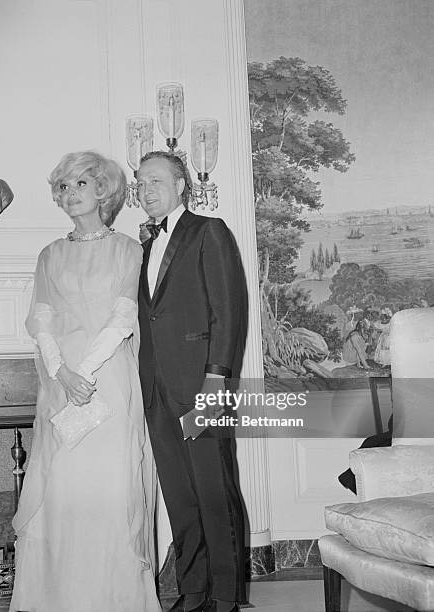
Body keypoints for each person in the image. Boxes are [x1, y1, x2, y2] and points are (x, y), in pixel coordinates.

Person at [10, 151, 161, 612]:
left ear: (103, 191)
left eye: (79, 185)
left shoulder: (128, 249)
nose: (69, 195)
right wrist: (63, 373)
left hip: (109, 378)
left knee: (112, 487)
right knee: (63, 492)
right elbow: (41, 319)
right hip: (61, 380)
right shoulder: (50, 255)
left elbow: (123, 316)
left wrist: (87, 372)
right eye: (62, 187)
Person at [137, 151, 248, 612]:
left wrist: (216, 378)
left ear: (182, 184)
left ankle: (225, 597)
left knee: (213, 490)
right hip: (157, 390)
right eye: (140, 183)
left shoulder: (209, 232)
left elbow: (229, 310)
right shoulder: (142, 246)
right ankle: (194, 590)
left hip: (203, 385)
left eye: (156, 180)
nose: (146, 190)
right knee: (179, 497)